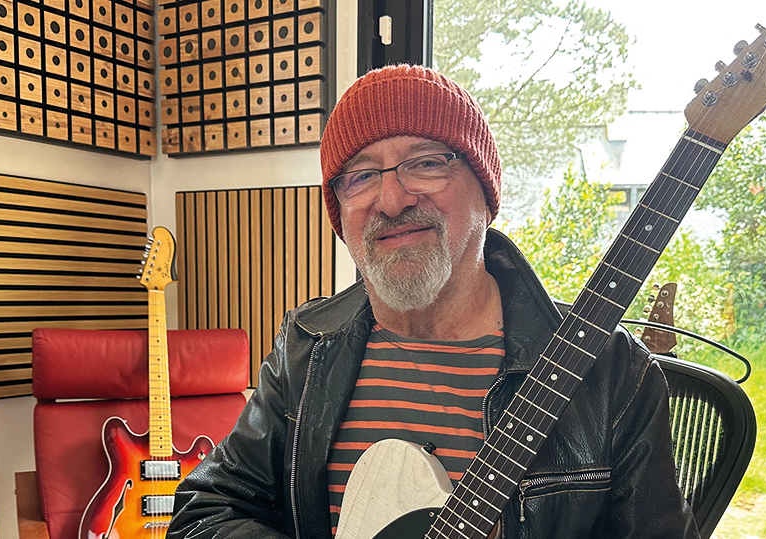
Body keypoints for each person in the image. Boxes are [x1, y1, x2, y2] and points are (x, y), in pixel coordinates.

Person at [168, 64, 697, 539]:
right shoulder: (307, 346)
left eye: (425, 163)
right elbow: (203, 512)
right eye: (361, 176)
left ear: (485, 191)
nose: (392, 200)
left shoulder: (610, 369)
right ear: (340, 213)